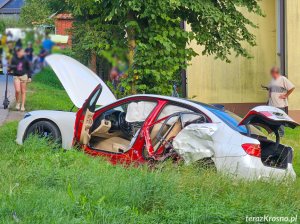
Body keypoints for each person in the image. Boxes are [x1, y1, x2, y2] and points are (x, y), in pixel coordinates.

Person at [263, 66, 295, 137]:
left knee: (279, 118)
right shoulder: (272, 80)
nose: (271, 74)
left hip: (279, 104)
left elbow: (292, 87)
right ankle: (274, 132)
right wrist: (269, 95)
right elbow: (271, 88)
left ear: (276, 73)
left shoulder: (283, 79)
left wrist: (286, 95)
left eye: (272, 73)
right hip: (272, 103)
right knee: (272, 118)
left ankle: (281, 134)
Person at [10, 47, 32, 111]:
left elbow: (28, 69)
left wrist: (29, 77)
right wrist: (10, 69)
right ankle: (17, 103)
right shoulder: (14, 59)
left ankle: (22, 106)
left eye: (23, 52)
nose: (23, 53)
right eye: (22, 52)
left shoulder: (25, 59)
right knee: (17, 90)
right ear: (18, 52)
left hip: (24, 76)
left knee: (23, 91)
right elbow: (11, 67)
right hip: (16, 76)